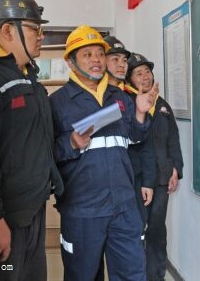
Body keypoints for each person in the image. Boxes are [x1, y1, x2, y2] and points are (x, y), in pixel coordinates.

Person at [50, 25, 157, 281]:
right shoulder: (56, 103)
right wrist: (71, 143)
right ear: (71, 62)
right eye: (87, 54)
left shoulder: (119, 97)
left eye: (99, 53)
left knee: (132, 273)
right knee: (83, 275)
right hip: (82, 209)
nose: (96, 60)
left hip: (124, 206)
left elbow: (134, 137)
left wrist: (140, 114)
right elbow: (45, 153)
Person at [0, 0, 63, 281]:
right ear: (7, 31)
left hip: (34, 205)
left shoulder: (28, 76)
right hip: (8, 218)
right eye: (34, 28)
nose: (41, 36)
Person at [126, 52, 184, 281]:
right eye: (138, 73)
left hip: (161, 179)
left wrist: (175, 168)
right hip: (137, 180)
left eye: (147, 72)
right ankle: (137, 275)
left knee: (157, 231)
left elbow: (173, 139)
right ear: (130, 79)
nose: (145, 76)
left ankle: (156, 276)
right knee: (136, 231)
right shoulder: (127, 103)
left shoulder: (163, 106)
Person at [103, 36, 155, 228]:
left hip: (129, 181)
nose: (121, 64)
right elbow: (85, 134)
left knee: (133, 234)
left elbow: (140, 140)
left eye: (124, 60)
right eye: (115, 59)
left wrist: (140, 113)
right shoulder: (93, 97)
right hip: (97, 187)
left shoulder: (127, 98)